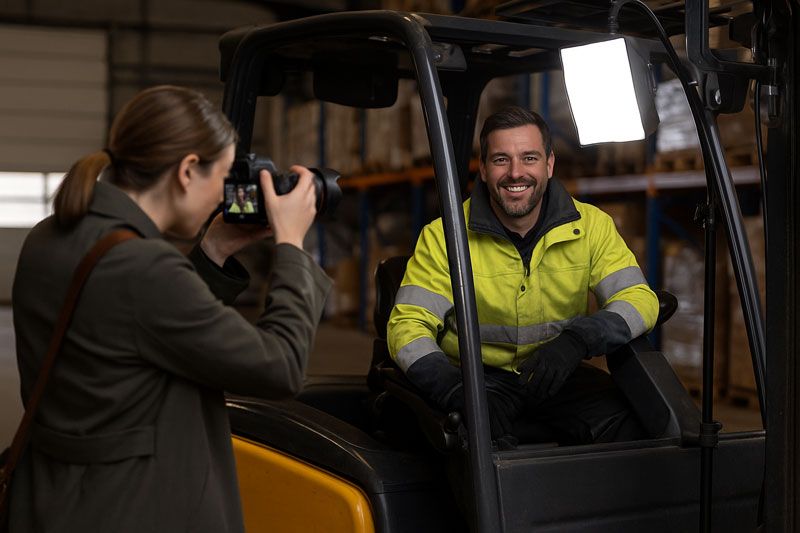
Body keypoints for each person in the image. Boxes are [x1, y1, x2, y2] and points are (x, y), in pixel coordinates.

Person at [9, 85, 330, 532]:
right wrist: (292, 246)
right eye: (221, 176)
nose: (223, 194)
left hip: (55, 498)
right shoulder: (143, 267)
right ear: (187, 171)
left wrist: (214, 250)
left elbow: (142, 329)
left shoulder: (48, 237)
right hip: (132, 506)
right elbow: (281, 366)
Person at [387, 106, 659, 447]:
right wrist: (454, 388)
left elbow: (639, 299)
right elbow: (407, 327)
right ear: (484, 170)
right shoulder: (445, 236)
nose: (516, 173)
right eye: (501, 160)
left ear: (549, 165)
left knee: (642, 426)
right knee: (480, 450)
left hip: (556, 374)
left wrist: (577, 341)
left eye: (529, 158)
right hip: (475, 379)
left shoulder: (591, 226)